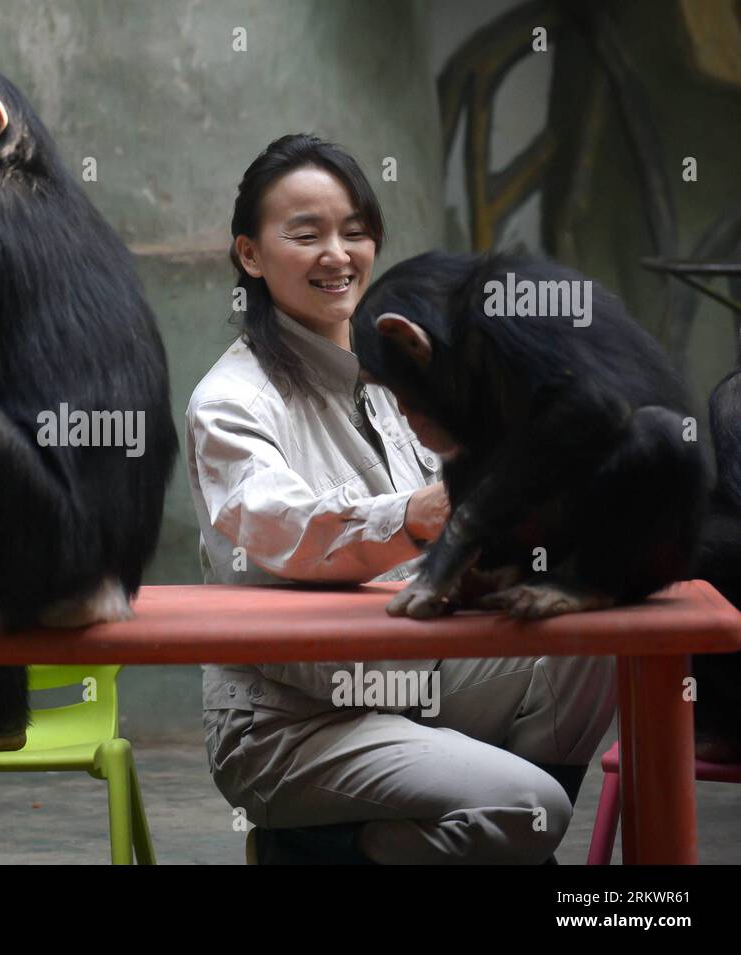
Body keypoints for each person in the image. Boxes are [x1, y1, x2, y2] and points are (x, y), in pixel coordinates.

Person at [186, 134, 616, 864]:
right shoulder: (229, 400)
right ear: (250, 255)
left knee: (591, 643)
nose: (337, 253)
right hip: (293, 720)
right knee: (533, 808)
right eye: (307, 233)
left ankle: (493, 837)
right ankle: (317, 850)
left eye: (355, 231)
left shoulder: (393, 361)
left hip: (413, 673)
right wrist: (419, 516)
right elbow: (280, 529)